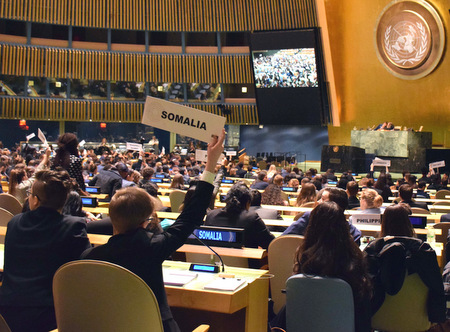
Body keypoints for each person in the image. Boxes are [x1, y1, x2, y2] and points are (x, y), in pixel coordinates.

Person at [81, 129, 225, 332]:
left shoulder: (89, 258)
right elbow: (190, 216)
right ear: (146, 221)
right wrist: (211, 163)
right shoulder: (153, 246)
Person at [0, 170, 91, 332]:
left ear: (35, 200)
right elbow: (82, 269)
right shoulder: (74, 226)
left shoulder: (14, 222)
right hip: (50, 316)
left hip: (8, 311)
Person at [271, 202, 372, 332]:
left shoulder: (303, 255)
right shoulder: (355, 257)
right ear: (343, 225)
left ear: (312, 226)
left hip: (305, 323)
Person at [364, 204, 445, 324]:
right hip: (419, 320)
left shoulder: (372, 251)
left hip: (377, 317)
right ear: (408, 223)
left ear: (384, 223)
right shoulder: (424, 252)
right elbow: (437, 287)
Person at [205, 181, 274, 250]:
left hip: (214, 259)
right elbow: (270, 243)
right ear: (248, 202)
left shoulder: (211, 215)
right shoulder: (251, 218)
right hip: (245, 260)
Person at [283, 187, 362, 244]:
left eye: (323, 199)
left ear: (333, 205)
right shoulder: (309, 217)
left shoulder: (354, 234)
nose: (318, 202)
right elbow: (284, 238)